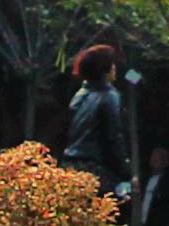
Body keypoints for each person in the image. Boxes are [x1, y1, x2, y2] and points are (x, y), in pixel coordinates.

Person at [57, 45, 133, 215]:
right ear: (106, 70)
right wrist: (125, 172)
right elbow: (114, 137)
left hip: (70, 167)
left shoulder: (79, 95)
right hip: (97, 171)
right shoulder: (110, 96)